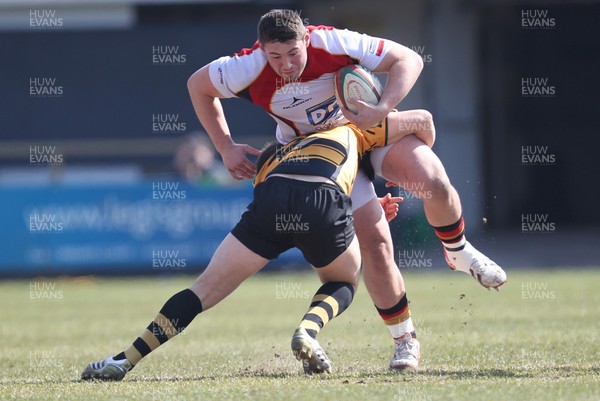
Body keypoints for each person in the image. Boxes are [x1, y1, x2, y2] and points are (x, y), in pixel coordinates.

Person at [186, 9, 507, 370]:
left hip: (368, 131)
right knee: (376, 244)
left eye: (293, 53)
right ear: (262, 49)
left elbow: (408, 59)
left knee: (432, 180)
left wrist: (382, 108)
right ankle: (405, 341)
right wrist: (225, 146)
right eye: (275, 56)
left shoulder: (332, 41)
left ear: (306, 38)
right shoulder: (246, 67)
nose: (286, 65)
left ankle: (457, 250)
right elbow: (198, 86)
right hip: (323, 157)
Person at [80, 115, 434, 380]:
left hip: (271, 201)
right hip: (320, 199)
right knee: (343, 281)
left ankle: (125, 359)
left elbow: (271, 185)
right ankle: (308, 330)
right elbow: (423, 122)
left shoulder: (276, 152)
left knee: (201, 290)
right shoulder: (353, 126)